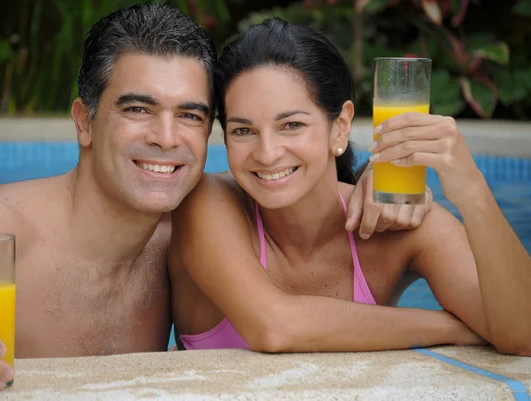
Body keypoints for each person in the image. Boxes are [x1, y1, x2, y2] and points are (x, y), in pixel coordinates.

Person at [0, 4, 431, 395]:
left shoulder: (188, 238)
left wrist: (371, 178)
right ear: (84, 120)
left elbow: (299, 196)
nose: (167, 137)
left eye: (191, 116)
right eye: (138, 108)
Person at [169, 18, 531, 355]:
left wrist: (472, 191)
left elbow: (522, 334)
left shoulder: (396, 221)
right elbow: (274, 328)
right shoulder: (208, 203)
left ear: (340, 126)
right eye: (243, 130)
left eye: (291, 125)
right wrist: (451, 326)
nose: (267, 153)